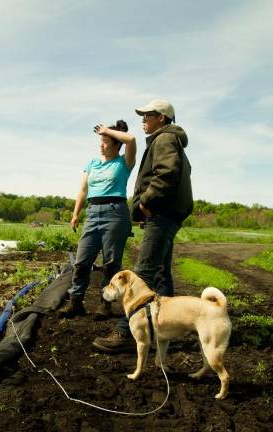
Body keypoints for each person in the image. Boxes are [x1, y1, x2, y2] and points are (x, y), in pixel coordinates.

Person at [92, 99, 193, 352]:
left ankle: (124, 334)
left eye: (148, 116)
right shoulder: (170, 141)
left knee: (141, 276)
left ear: (162, 117)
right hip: (166, 215)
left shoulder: (164, 139)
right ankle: (166, 329)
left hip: (161, 215)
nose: (143, 120)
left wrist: (146, 202)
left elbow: (166, 174)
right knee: (160, 275)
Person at [58, 120, 137, 318]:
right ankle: (76, 303)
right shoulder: (92, 163)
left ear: (116, 144)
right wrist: (76, 213)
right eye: (100, 140)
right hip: (93, 212)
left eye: (105, 141)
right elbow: (83, 189)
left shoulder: (123, 163)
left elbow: (132, 139)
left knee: (111, 263)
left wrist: (107, 130)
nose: (101, 144)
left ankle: (105, 304)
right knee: (82, 261)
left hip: (115, 213)